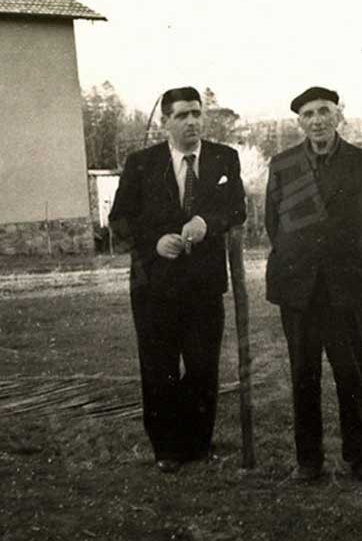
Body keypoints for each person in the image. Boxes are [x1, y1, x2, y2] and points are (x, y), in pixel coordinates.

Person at [109, 86, 246, 473]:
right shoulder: (141, 163)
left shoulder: (224, 158)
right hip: (154, 286)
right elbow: (119, 220)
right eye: (183, 115)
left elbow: (237, 208)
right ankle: (167, 448)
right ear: (166, 121)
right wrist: (155, 242)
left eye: (198, 113)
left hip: (204, 285)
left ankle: (197, 443)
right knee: (159, 367)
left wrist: (208, 222)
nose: (192, 122)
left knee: (203, 367)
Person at [265, 86, 362, 482]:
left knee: (350, 372)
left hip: (344, 286)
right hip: (297, 288)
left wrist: (355, 261)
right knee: (303, 373)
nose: (317, 120)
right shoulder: (282, 164)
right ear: (299, 122)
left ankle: (358, 457)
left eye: (324, 111)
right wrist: (296, 258)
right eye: (308, 114)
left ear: (339, 115)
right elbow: (273, 222)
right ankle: (309, 461)